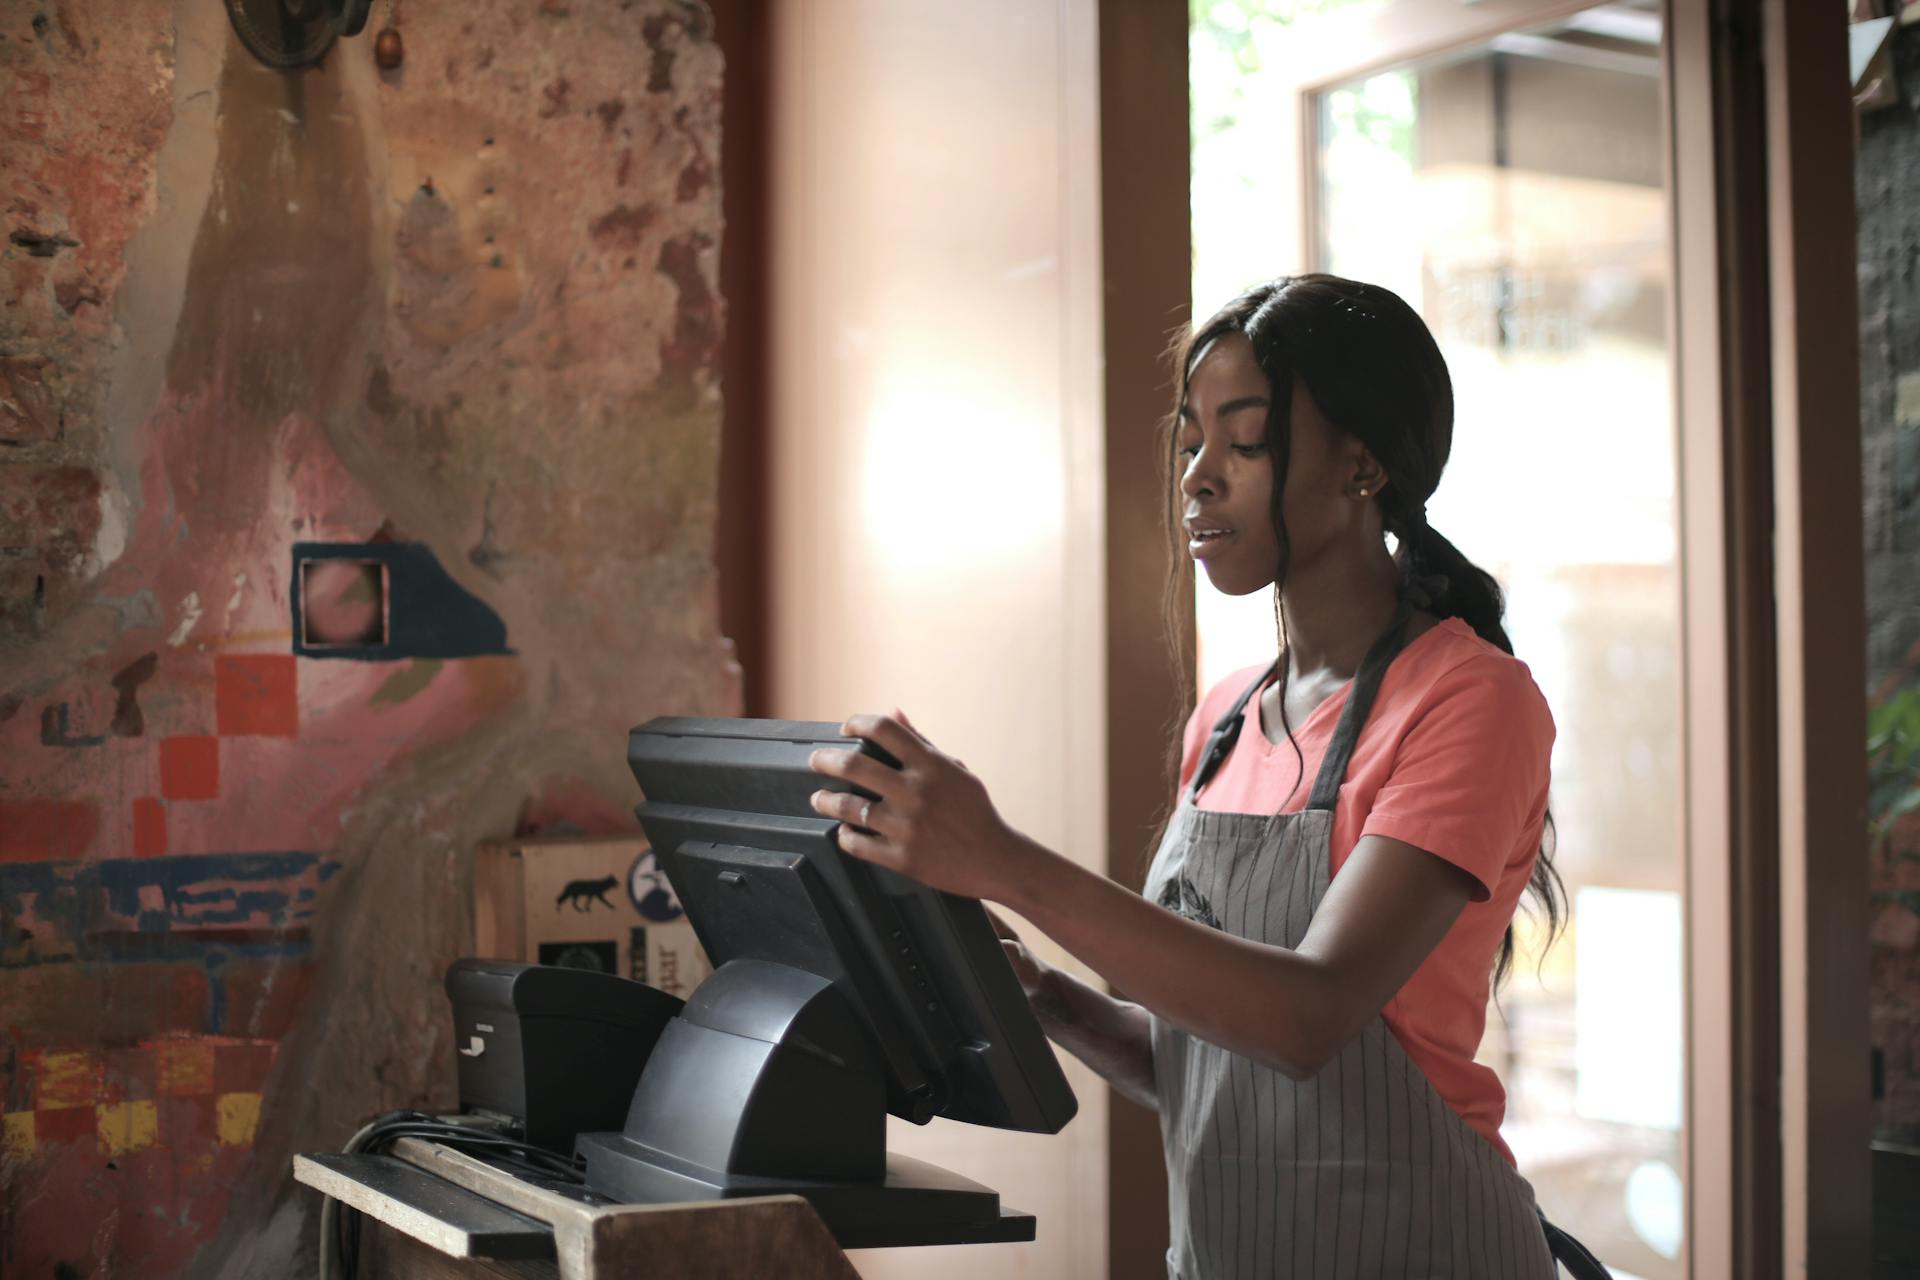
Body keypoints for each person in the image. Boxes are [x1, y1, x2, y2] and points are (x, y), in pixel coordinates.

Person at [808, 275, 1608, 1279]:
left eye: (1245, 440)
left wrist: (1001, 860)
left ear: (1362, 466)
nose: (1197, 477)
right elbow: (1207, 1063)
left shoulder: (1467, 700)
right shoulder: (1225, 719)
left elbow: (1304, 1017)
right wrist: (1042, 994)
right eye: (1191, 440)